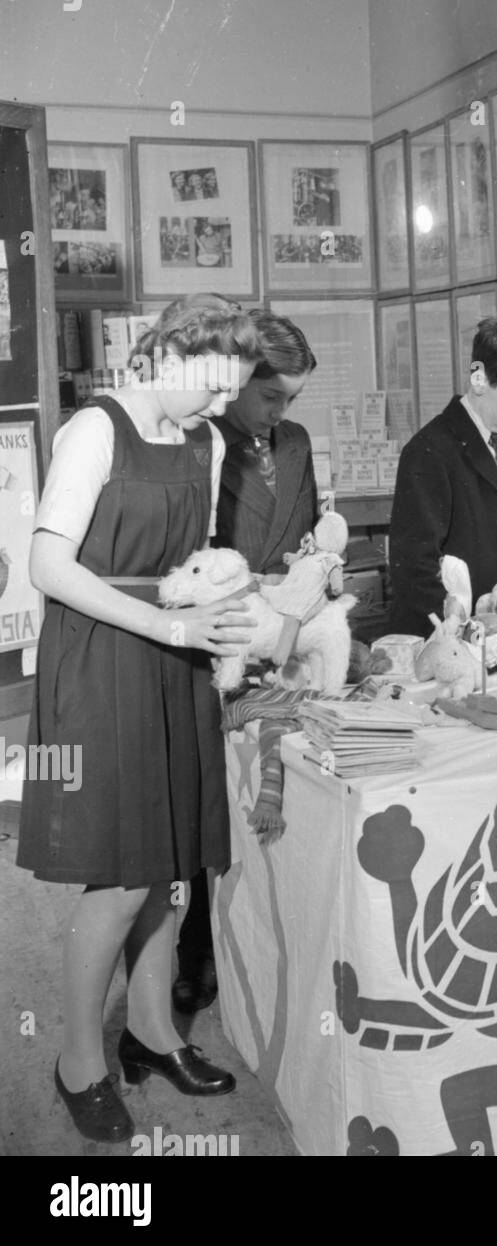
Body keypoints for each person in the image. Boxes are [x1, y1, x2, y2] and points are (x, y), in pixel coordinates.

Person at [16, 295, 263, 1143]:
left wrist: (224, 613)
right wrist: (170, 625)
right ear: (167, 356)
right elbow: (47, 566)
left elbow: (191, 567)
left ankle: (153, 1033)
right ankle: (78, 1058)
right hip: (97, 663)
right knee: (120, 876)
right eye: (214, 387)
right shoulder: (93, 431)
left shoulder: (209, 438)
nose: (224, 407)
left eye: (234, 392)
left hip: (175, 658)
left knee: (168, 864)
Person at [172, 308, 320, 1016]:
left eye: (292, 400)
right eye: (271, 396)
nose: (281, 412)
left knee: (281, 791)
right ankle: (196, 951)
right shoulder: (203, 441)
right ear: (240, 382)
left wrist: (314, 574)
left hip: (286, 640)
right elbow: (192, 560)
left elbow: (310, 533)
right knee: (211, 801)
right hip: (224, 640)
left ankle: (269, 944)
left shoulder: (293, 444)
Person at [389, 316, 497, 637]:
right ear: (479, 380)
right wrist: (462, 627)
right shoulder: (428, 451)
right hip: (438, 640)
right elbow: (413, 568)